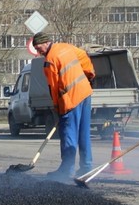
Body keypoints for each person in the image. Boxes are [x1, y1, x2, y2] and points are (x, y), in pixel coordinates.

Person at [31, 32, 95, 180]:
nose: (38, 52)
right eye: (36, 49)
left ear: (46, 43)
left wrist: (57, 109)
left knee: (68, 135)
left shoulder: (50, 61)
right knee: (84, 133)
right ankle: (86, 167)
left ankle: (67, 170)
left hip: (70, 99)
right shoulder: (66, 47)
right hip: (85, 92)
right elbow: (84, 57)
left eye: (39, 48)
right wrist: (90, 75)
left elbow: (53, 89)